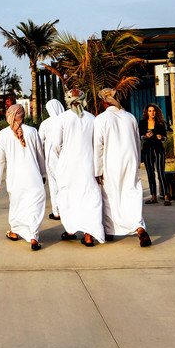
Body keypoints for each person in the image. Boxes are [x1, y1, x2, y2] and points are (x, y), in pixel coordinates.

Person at [93, 88, 151, 247]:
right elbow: (137, 142)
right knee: (132, 194)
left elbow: (98, 146)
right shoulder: (130, 117)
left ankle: (110, 231)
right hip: (130, 162)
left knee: (110, 197)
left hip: (111, 163)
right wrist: (137, 163)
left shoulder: (101, 119)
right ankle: (139, 228)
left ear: (104, 101)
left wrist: (97, 170)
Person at [52, 89, 105, 246]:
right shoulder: (92, 118)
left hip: (68, 165)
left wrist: (64, 154)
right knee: (90, 198)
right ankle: (88, 236)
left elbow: (56, 144)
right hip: (88, 164)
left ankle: (70, 230)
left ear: (68, 101)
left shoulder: (62, 118)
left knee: (68, 197)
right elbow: (98, 144)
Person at [0, 103, 47, 251]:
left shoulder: (3, 134)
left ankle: (15, 232)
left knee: (17, 206)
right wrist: (43, 174)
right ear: (22, 115)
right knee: (35, 206)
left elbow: (0, 160)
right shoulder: (32, 131)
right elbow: (40, 155)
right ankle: (33, 236)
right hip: (33, 177)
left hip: (15, 179)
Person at [37, 98, 65, 221]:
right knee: (65, 184)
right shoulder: (67, 120)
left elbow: (39, 141)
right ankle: (66, 210)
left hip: (51, 157)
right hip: (66, 156)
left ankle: (56, 212)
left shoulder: (46, 123)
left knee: (53, 185)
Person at [140, 104, 169, 205]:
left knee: (161, 173)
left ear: (156, 112)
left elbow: (166, 138)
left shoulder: (160, 123)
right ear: (147, 112)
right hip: (147, 150)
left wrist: (161, 138)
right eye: (150, 111)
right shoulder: (142, 123)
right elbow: (140, 136)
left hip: (158, 150)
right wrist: (145, 136)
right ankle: (153, 197)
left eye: (153, 111)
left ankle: (166, 196)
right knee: (150, 174)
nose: (152, 113)